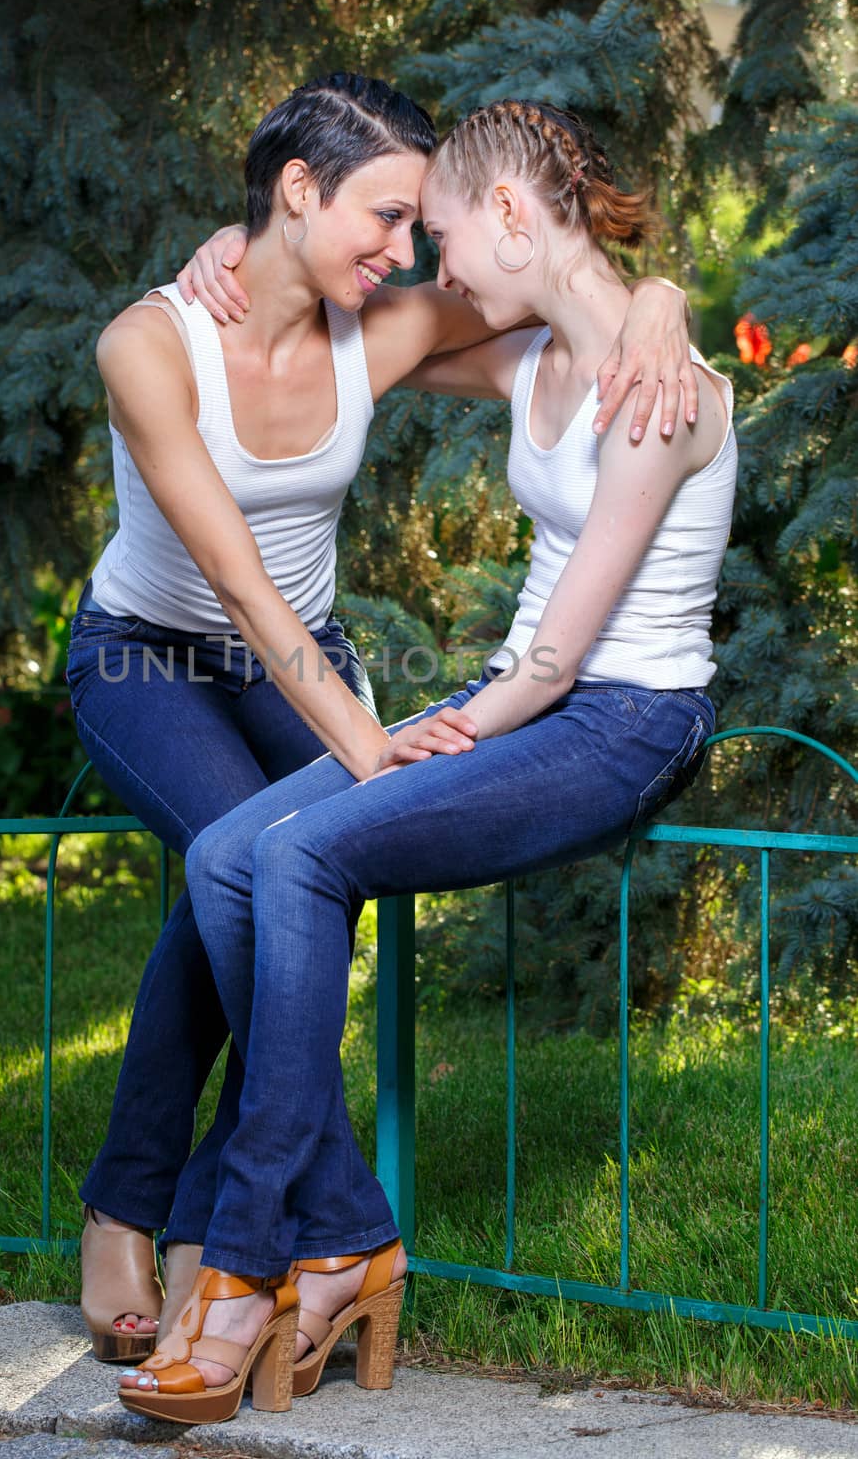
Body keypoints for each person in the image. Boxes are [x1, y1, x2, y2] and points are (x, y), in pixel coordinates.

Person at [115, 98, 736, 1425]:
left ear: (514, 215)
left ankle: (244, 1265)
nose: (429, 267)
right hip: (523, 697)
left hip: (616, 716)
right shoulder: (535, 364)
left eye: (442, 234)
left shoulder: (662, 391)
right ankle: (346, 1233)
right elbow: (326, 352)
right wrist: (221, 272)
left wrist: (665, 302)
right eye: (407, 232)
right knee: (231, 852)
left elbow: (566, 661)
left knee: (304, 852)